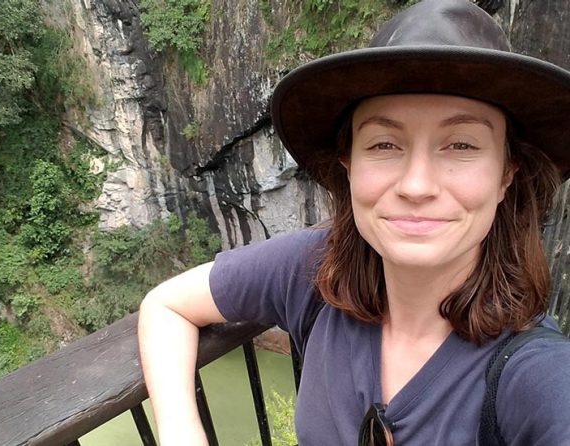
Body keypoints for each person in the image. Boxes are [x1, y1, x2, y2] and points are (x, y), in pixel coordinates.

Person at [138, 0, 570, 444]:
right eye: (384, 144)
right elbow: (166, 306)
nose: (416, 184)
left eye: (460, 145)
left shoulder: (536, 374)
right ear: (348, 164)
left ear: (505, 174)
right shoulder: (316, 270)